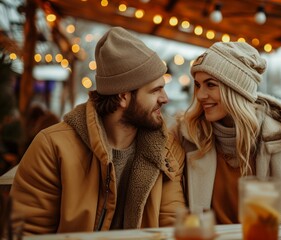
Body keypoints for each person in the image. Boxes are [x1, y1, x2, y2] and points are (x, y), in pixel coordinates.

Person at [10, 27, 186, 235]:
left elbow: (174, 228)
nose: (165, 98)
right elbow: (26, 232)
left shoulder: (166, 151)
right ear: (123, 97)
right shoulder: (52, 147)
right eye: (155, 90)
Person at [171, 41, 281, 223]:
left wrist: (266, 227)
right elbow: (170, 212)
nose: (200, 95)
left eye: (210, 85)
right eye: (198, 85)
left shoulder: (280, 141)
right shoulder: (186, 137)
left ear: (236, 91)